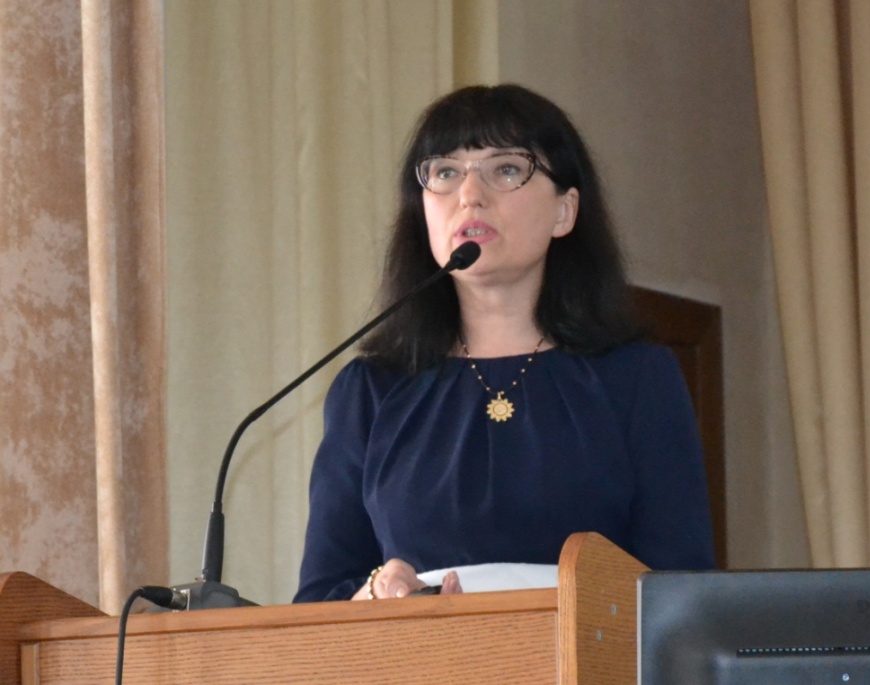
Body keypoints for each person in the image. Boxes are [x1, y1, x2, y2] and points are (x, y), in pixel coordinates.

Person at [293, 83, 715, 603]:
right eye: (445, 172)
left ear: (564, 211)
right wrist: (380, 593)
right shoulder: (370, 391)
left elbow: (682, 593)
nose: (470, 195)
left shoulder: (637, 378)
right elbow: (319, 601)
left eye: (507, 169)